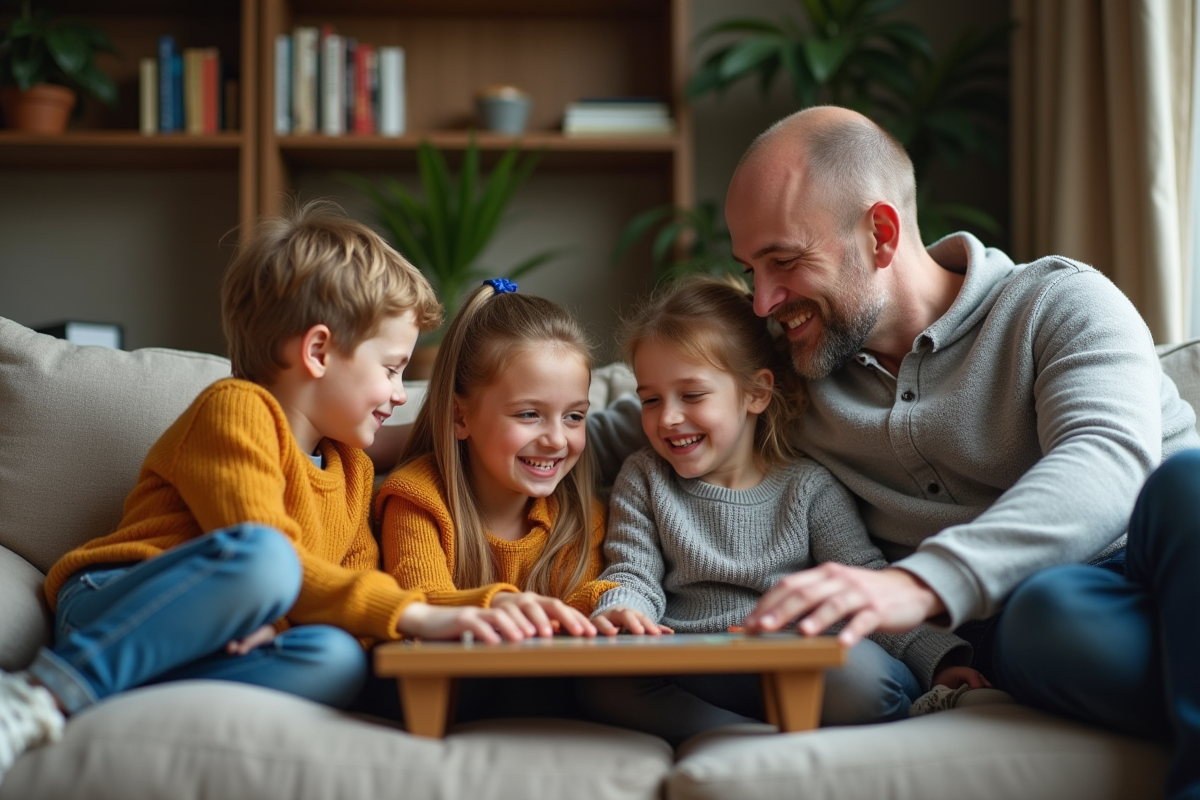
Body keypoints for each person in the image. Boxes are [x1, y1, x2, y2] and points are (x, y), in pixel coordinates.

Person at [719, 106, 1199, 800]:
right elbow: (596, 422)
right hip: (1062, 623)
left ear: (880, 235)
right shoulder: (786, 377)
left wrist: (914, 584)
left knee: (1188, 482)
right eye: (749, 269)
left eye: (785, 262)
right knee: (1039, 618)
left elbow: (1108, 459)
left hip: (1166, 555)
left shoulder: (1059, 302)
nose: (763, 301)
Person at [0, 202, 524, 783]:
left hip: (217, 643)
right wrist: (403, 615)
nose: (401, 393)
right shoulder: (236, 410)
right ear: (319, 352)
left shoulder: (350, 468)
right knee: (267, 560)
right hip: (120, 600)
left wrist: (488, 606)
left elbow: (359, 593)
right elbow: (263, 553)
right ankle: (39, 695)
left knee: (337, 655)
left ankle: (101, 697)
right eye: (394, 368)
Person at [575, 275, 996, 746]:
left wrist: (938, 660)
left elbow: (864, 580)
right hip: (692, 659)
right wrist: (620, 610)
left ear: (756, 393)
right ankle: (746, 740)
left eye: (692, 395)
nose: (668, 417)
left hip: (794, 658)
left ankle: (772, 730)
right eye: (650, 399)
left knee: (862, 679)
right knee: (602, 684)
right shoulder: (644, 477)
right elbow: (632, 572)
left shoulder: (808, 486)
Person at [375, 279, 638, 720]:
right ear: (462, 417)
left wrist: (612, 602)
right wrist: (500, 604)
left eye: (574, 416)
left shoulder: (579, 517)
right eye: (529, 414)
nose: (556, 439)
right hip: (444, 695)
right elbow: (420, 600)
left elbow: (577, 601)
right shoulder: (417, 497)